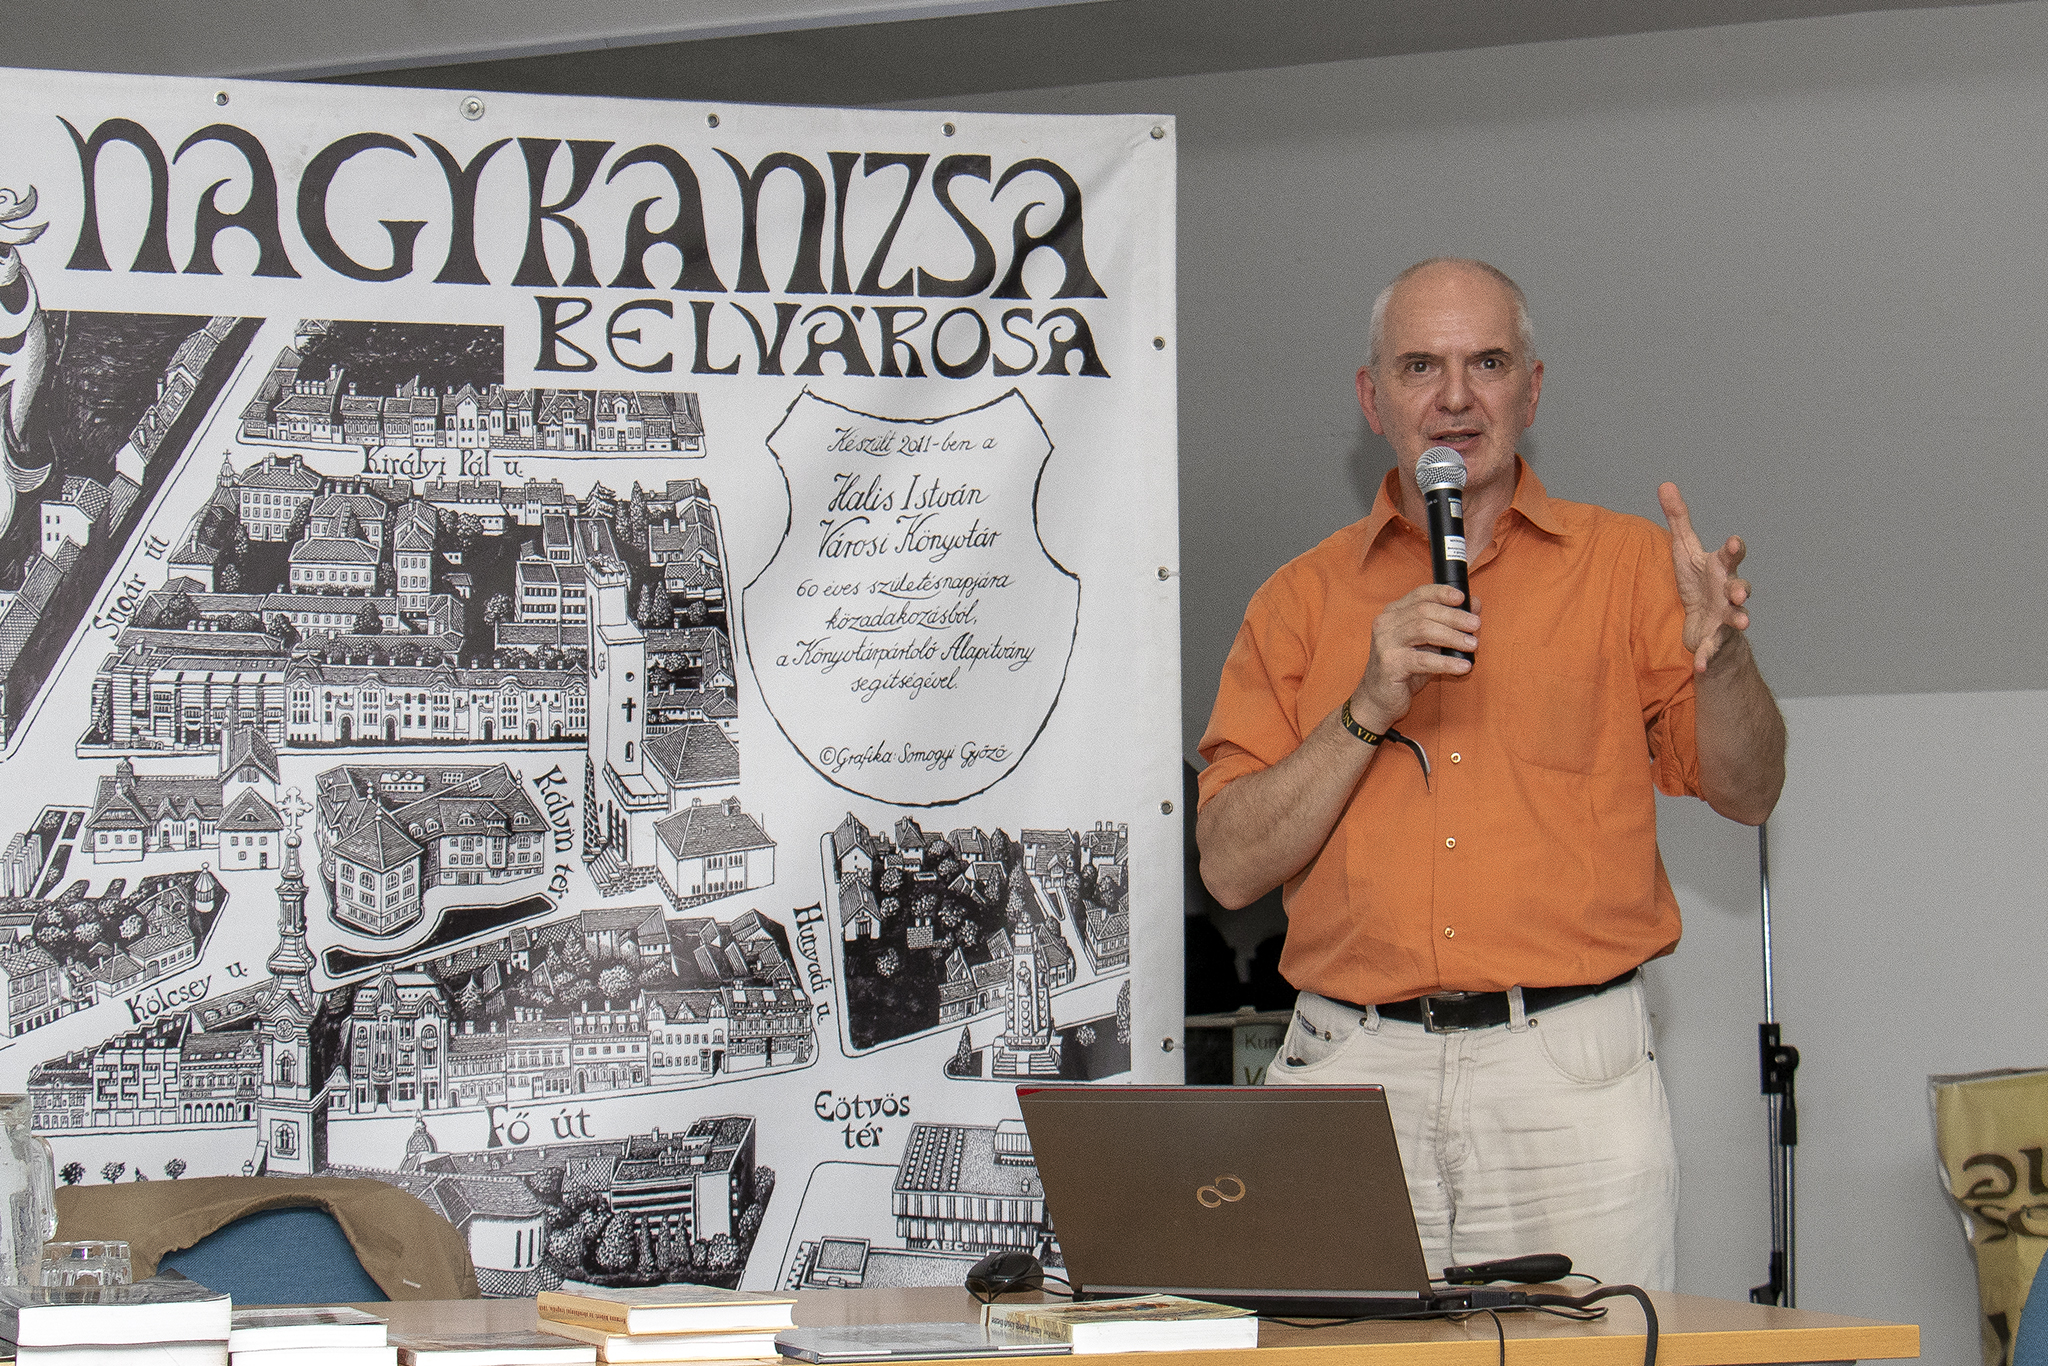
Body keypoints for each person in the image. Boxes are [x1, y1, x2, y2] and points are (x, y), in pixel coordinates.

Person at [1194, 257, 1786, 1289]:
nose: (1455, 398)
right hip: (1352, 1071)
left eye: (1488, 363)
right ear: (1372, 398)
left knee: (1595, 1356)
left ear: (1532, 389)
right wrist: (1366, 705)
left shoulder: (1629, 568)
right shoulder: (1296, 600)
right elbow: (1229, 868)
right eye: (1420, 365)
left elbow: (1750, 790)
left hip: (1568, 1074)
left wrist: (1724, 655)